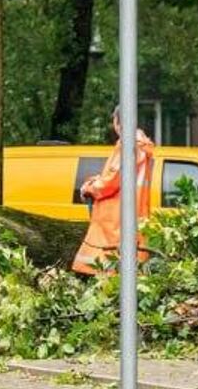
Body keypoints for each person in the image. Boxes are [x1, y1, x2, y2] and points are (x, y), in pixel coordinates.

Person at [73, 108, 156, 275]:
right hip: (132, 219)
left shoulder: (128, 145)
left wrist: (89, 187)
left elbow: (111, 181)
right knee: (130, 271)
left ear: (118, 122)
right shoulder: (142, 148)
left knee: (107, 272)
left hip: (114, 221)